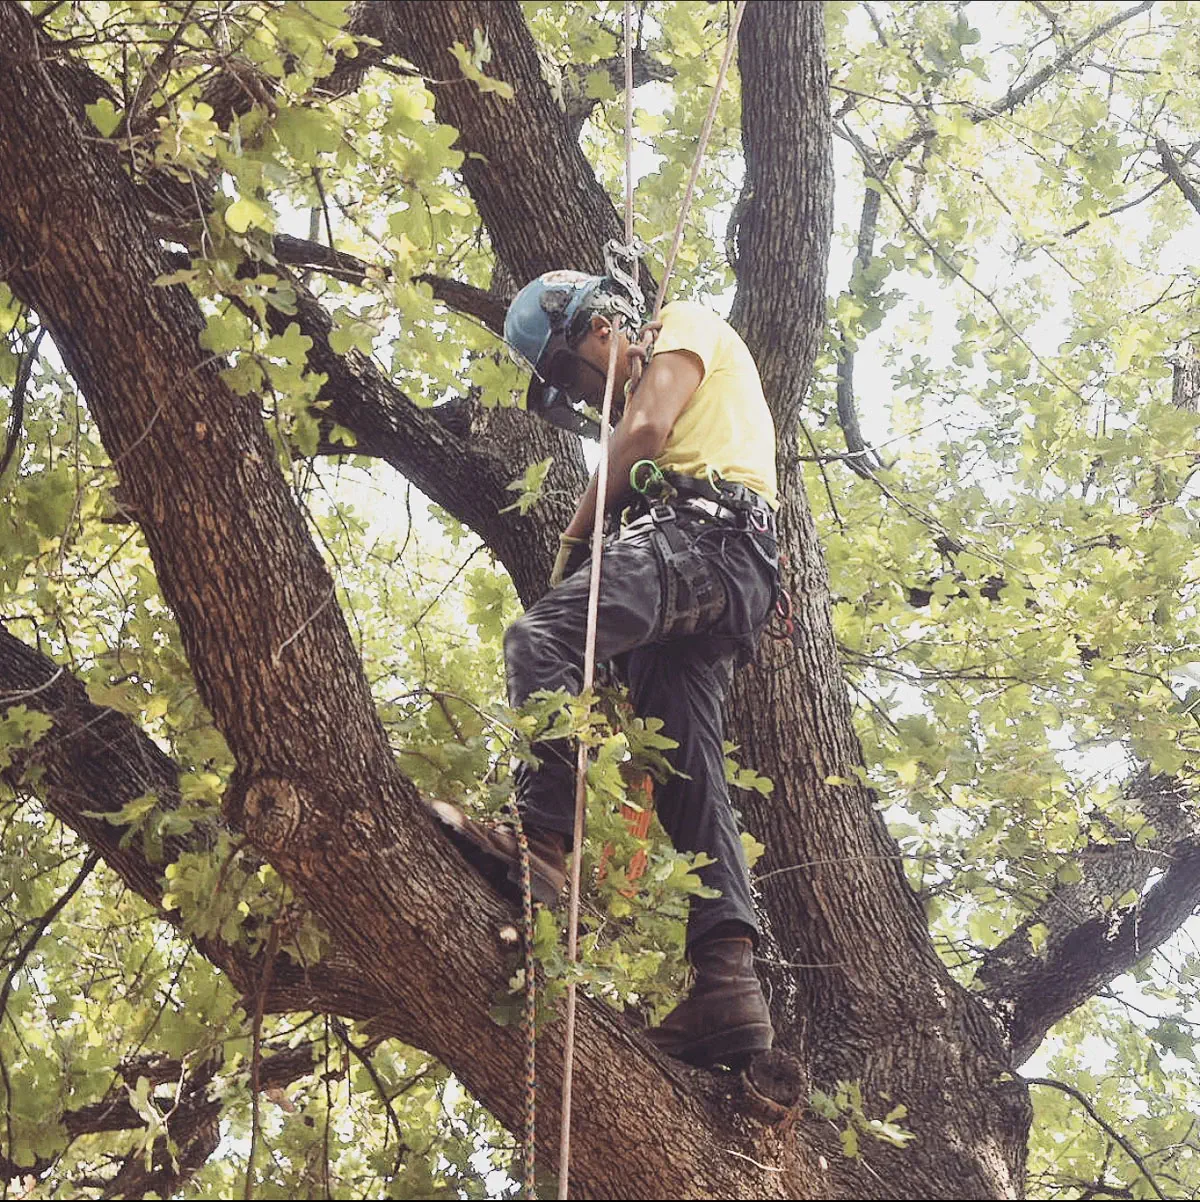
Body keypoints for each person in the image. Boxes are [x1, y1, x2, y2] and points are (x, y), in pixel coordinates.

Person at [434, 270, 779, 1069]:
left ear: (601, 327)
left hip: (706, 540)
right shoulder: (647, 383)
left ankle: (543, 846)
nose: (582, 395)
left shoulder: (683, 325)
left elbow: (647, 431)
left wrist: (573, 540)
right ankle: (730, 985)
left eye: (567, 372)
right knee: (688, 771)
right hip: (718, 571)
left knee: (540, 641)